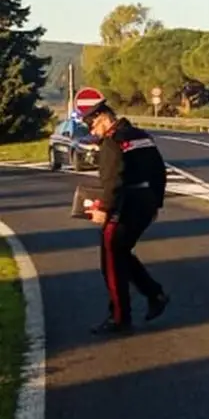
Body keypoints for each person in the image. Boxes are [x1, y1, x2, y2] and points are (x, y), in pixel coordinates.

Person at [83, 98, 170, 334]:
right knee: (121, 253)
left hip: (124, 205)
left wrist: (104, 210)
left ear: (103, 118)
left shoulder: (112, 143)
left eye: (92, 126)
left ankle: (120, 317)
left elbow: (114, 182)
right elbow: (160, 172)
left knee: (110, 259)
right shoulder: (141, 136)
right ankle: (154, 294)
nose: (93, 133)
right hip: (146, 202)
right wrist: (155, 204)